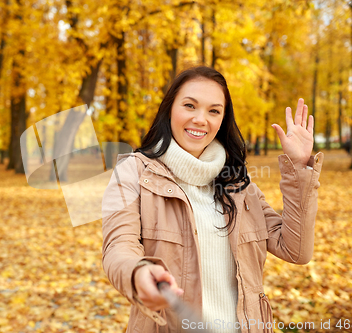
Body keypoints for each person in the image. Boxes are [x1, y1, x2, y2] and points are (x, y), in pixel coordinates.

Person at [101, 66, 324, 333]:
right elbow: (118, 246)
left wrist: (298, 168)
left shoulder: (238, 183)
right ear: (169, 109)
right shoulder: (133, 172)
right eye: (189, 105)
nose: (200, 119)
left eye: (214, 111)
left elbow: (296, 250)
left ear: (222, 120)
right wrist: (137, 273)